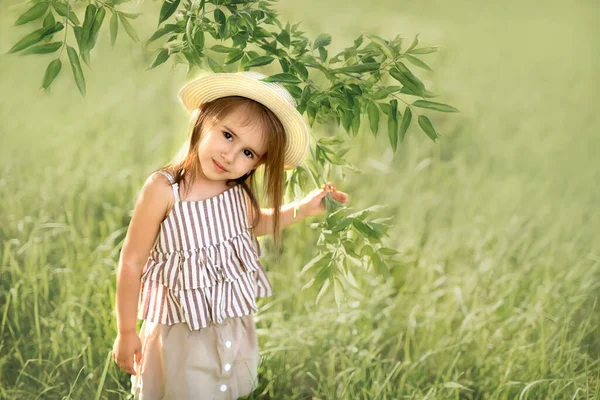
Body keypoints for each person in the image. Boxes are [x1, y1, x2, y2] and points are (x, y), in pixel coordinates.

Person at [111, 71, 349, 399]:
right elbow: (132, 262)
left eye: (249, 153)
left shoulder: (235, 190)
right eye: (228, 135)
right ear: (205, 118)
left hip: (229, 323)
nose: (231, 156)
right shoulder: (165, 190)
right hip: (183, 332)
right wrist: (126, 332)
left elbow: (254, 225)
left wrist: (305, 208)